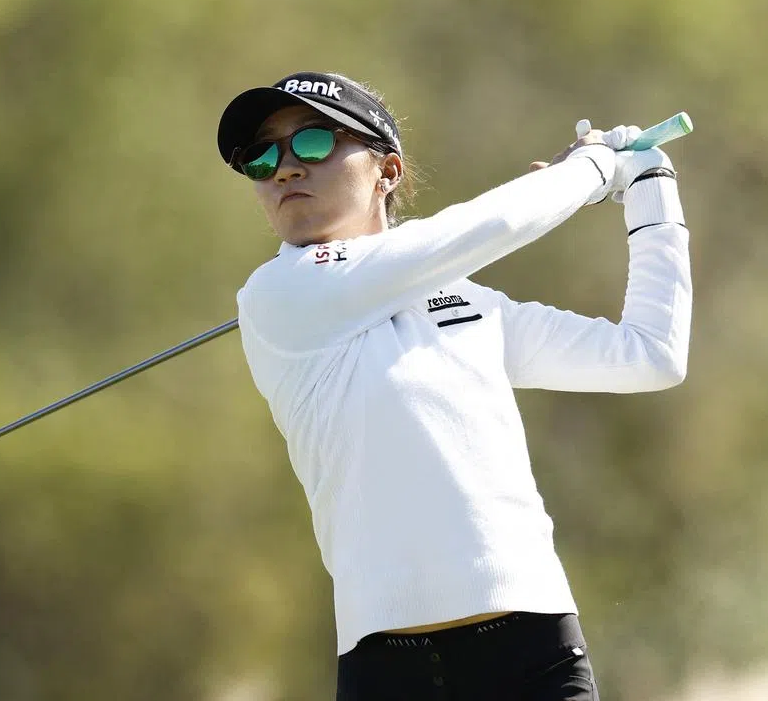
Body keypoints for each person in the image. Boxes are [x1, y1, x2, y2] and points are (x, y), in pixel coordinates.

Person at [216, 71, 691, 701]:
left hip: (534, 651)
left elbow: (650, 356)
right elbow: (486, 227)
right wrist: (591, 169)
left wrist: (652, 193)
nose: (284, 169)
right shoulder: (278, 296)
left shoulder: (466, 302)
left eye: (312, 142)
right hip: (390, 671)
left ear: (387, 171)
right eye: (261, 157)